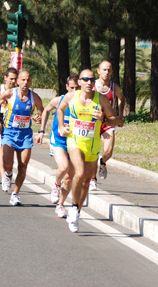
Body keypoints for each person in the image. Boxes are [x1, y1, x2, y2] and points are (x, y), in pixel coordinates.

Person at [57, 69, 119, 233]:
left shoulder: (102, 99)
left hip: (92, 145)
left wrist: (104, 118)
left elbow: (117, 120)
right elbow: (60, 109)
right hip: (75, 141)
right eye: (85, 79)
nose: (89, 83)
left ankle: (76, 210)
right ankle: (72, 207)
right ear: (79, 82)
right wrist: (62, 126)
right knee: (79, 172)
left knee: (86, 182)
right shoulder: (71, 97)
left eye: (91, 80)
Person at [0, 70, 44, 206]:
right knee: (8, 164)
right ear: (18, 81)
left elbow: (43, 113)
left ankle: (15, 194)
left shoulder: (35, 97)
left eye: (28, 80)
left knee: (23, 166)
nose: (25, 83)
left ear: (31, 81)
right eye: (23, 80)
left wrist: (40, 121)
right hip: (9, 132)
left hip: (25, 135)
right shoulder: (10, 93)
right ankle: (8, 174)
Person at [37, 74, 79, 219]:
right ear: (67, 87)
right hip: (59, 140)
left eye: (77, 88)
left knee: (69, 178)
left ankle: (60, 205)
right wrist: (42, 131)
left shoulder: (82, 104)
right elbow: (46, 110)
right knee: (63, 167)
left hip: (73, 142)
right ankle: (55, 185)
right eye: (72, 88)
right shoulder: (58, 100)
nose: (74, 91)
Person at [89, 60, 126, 190]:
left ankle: (103, 162)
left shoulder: (114, 87)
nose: (106, 72)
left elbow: (121, 98)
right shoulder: (92, 86)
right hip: (93, 123)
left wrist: (120, 116)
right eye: (104, 70)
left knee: (108, 151)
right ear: (98, 71)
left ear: (112, 72)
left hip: (107, 122)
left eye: (109, 70)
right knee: (93, 152)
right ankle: (93, 179)